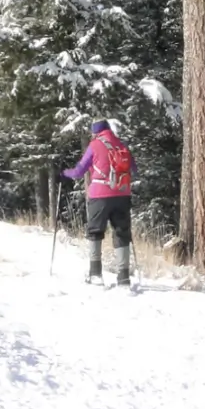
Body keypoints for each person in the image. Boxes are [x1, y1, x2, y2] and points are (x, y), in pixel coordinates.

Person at [62, 119, 138, 286]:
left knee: (95, 232)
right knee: (121, 233)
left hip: (100, 195)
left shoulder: (95, 145)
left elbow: (79, 171)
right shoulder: (121, 144)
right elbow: (134, 168)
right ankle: (123, 276)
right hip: (122, 194)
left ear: (95, 132)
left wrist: (65, 173)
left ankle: (95, 274)